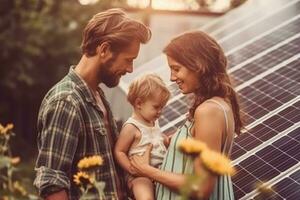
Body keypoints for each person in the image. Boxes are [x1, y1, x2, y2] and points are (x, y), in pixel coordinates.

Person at [34, 8, 151, 200]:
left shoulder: (97, 95)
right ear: (104, 50)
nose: (130, 69)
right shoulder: (67, 101)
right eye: (128, 60)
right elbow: (52, 184)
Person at [130, 31, 243, 200]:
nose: (172, 77)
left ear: (198, 65)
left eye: (176, 69)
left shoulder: (207, 112)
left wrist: (147, 171)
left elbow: (201, 187)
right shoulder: (217, 105)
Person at [114, 73, 171, 200]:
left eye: (162, 107)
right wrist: (131, 168)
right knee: (146, 196)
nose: (160, 111)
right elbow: (119, 151)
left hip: (159, 171)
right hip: (139, 176)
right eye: (156, 107)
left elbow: (155, 139)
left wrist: (166, 141)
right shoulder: (131, 127)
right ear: (139, 103)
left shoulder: (154, 121)